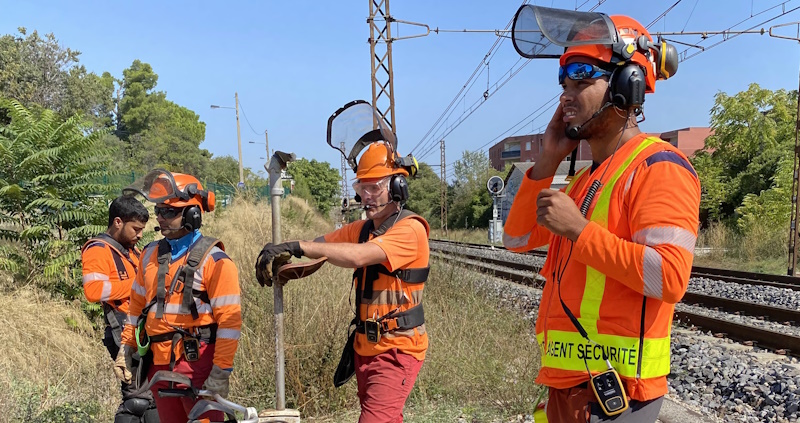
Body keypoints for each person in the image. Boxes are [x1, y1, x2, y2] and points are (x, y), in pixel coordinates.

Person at [504, 9, 700, 423]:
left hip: (616, 396)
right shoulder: (582, 182)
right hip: (568, 388)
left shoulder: (659, 168)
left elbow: (669, 277)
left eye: (582, 80)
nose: (565, 96)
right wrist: (547, 160)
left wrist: (579, 231)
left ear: (626, 85)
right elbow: (516, 239)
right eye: (563, 83)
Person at [255, 141, 430, 423]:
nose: (367, 196)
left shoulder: (410, 230)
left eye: (375, 187)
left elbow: (358, 257)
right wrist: (286, 260)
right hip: (365, 346)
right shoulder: (362, 229)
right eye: (362, 188)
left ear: (398, 186)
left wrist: (299, 246)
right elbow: (321, 247)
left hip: (397, 349)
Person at [116, 170, 242, 423]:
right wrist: (126, 347)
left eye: (169, 212)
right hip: (159, 364)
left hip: (198, 364)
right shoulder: (149, 254)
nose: (161, 218)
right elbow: (136, 307)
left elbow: (229, 322)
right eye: (159, 211)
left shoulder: (215, 261)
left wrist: (221, 371)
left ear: (193, 214)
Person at [82, 195, 159, 423]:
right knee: (139, 398)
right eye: (135, 228)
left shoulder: (130, 250)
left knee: (152, 393)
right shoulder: (98, 250)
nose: (140, 234)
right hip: (123, 330)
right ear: (118, 222)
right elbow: (93, 291)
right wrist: (140, 285)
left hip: (141, 328)